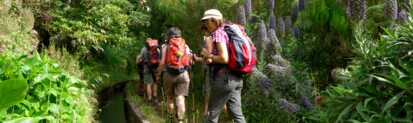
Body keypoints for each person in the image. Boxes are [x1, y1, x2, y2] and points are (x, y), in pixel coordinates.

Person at [201, 9, 247, 123]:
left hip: (224, 78)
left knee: (212, 115)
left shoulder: (218, 33)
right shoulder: (227, 31)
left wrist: (208, 55)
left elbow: (224, 58)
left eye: (207, 22)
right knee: (238, 116)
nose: (206, 25)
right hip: (236, 78)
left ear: (214, 20)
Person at [156, 27, 191, 123]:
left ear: (168, 36)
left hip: (169, 74)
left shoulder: (165, 46)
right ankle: (180, 121)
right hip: (183, 73)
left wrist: (158, 73)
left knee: (170, 97)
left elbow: (162, 63)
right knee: (180, 97)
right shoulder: (185, 45)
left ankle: (171, 119)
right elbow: (189, 60)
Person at [137, 38, 161, 104]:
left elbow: (139, 59)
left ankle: (149, 99)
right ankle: (155, 98)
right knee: (155, 83)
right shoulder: (157, 49)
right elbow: (159, 60)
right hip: (155, 68)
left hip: (147, 68)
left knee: (148, 84)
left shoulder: (143, 49)